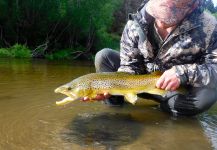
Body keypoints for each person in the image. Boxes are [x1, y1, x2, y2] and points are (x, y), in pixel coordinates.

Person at [88, 0, 217, 116]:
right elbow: (129, 66)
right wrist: (110, 87)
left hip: (175, 89)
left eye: (168, 18)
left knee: (206, 97)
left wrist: (183, 73)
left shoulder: (210, 26)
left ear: (192, 6)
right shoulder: (136, 22)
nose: (160, 24)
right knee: (104, 57)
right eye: (158, 17)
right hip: (139, 82)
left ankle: (169, 108)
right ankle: (115, 107)